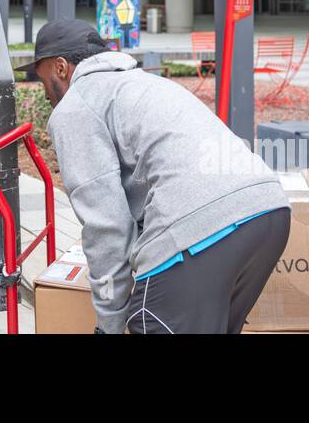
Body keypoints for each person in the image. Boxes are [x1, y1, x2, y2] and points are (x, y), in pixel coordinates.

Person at [23, 19, 290, 333]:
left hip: (203, 227)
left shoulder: (76, 106)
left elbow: (106, 227)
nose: (45, 95)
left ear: (60, 67)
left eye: (42, 81)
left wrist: (108, 324)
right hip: (269, 212)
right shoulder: (144, 83)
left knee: (149, 324)